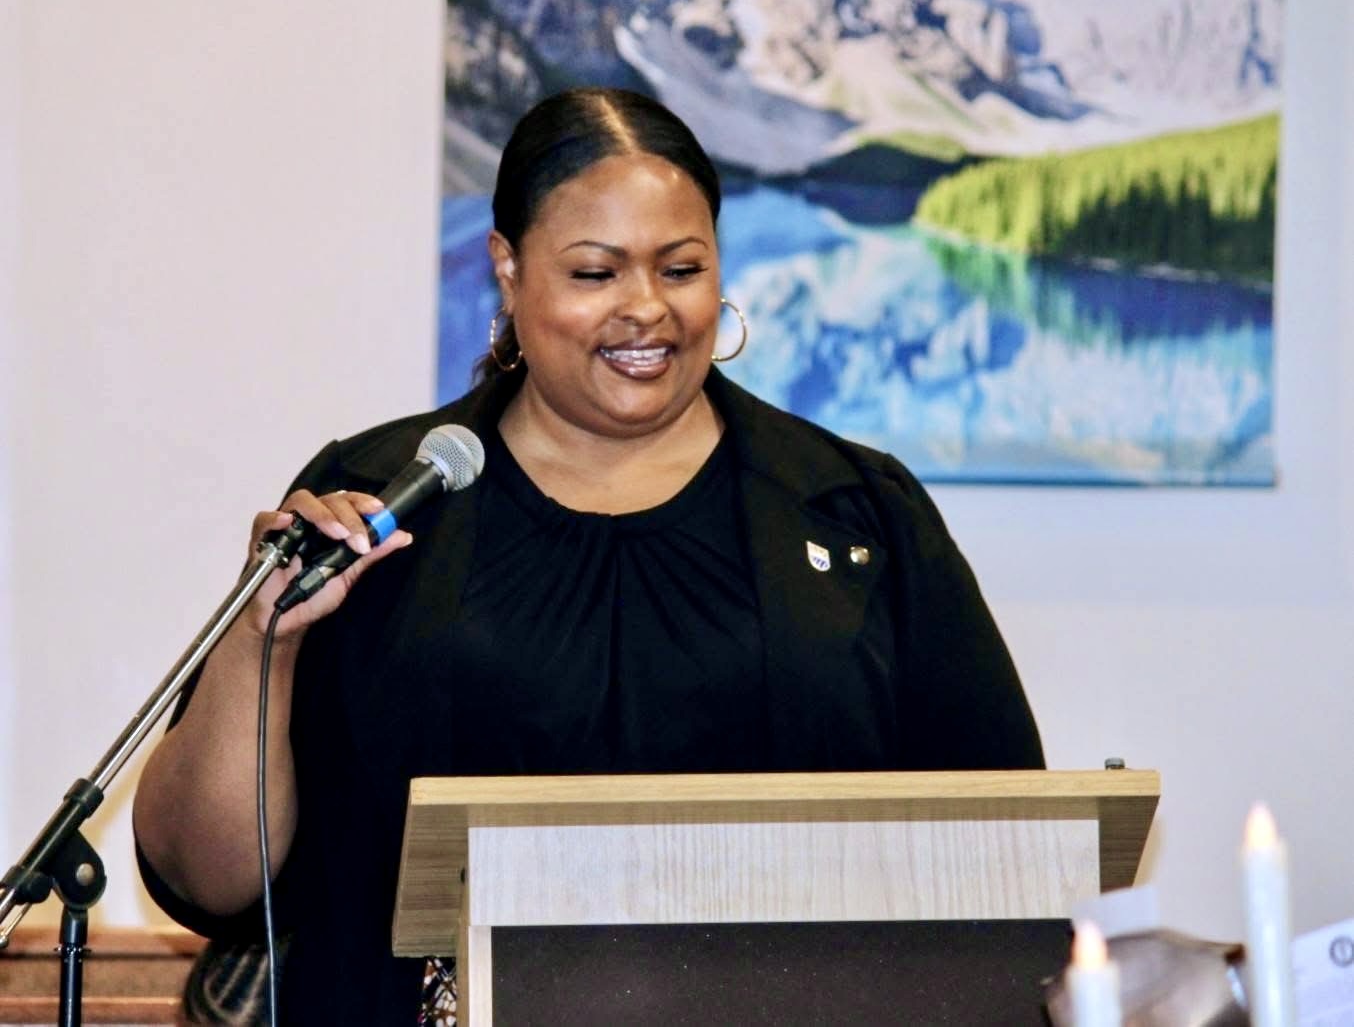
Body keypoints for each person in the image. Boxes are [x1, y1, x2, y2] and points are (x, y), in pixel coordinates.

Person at [133, 87, 1043, 1025]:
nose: (646, 309)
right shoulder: (375, 501)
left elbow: (1015, 852)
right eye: (596, 272)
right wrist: (264, 644)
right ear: (509, 269)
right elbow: (204, 878)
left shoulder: (856, 514)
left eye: (680, 267)